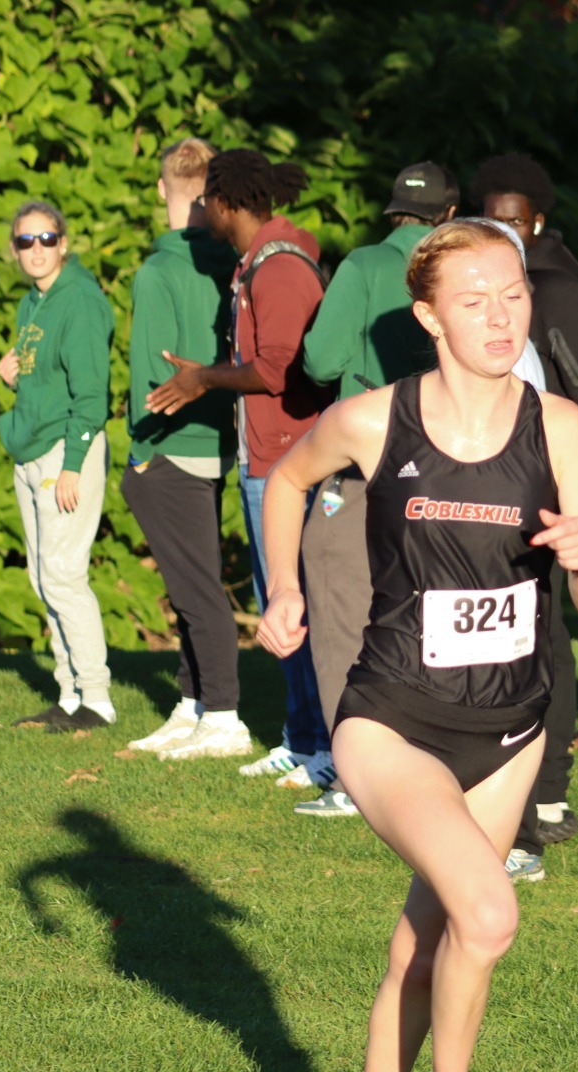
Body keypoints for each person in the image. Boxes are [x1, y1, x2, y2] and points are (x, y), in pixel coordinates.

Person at [253, 220, 578, 1072]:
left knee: (427, 943)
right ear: (428, 317)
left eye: (513, 295)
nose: (501, 317)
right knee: (488, 915)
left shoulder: (562, 429)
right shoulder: (375, 420)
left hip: (510, 727)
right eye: (474, 300)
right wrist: (283, 587)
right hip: (392, 719)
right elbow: (288, 478)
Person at [147, 150, 334, 783]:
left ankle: (325, 748)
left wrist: (203, 379)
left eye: (208, 200)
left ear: (226, 203)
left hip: (288, 460)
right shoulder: (257, 263)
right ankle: (301, 738)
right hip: (268, 456)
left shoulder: (277, 270)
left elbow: (277, 370)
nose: (202, 210)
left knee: (292, 604)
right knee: (275, 601)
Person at [469, 153, 578, 881]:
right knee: (532, 638)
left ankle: (541, 798)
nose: (507, 231)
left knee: (537, 643)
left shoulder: (555, 289)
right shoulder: (499, 283)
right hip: (509, 487)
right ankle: (535, 793)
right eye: (493, 219)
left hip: (551, 493)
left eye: (518, 221)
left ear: (539, 220)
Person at [291, 162, 461, 818]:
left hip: (365, 465)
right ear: (450, 215)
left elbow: (321, 361)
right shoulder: (462, 268)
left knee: (340, 607)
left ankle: (354, 777)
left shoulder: (363, 266)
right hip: (453, 463)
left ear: (394, 211)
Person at [119, 137, 255, 761]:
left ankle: (222, 714)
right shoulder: (234, 263)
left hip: (170, 444)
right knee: (191, 581)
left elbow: (152, 377)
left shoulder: (157, 271)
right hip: (220, 440)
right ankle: (192, 701)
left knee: (195, 589)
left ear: (162, 190)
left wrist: (139, 451)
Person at [0, 201, 117, 731]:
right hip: (31, 451)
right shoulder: (33, 303)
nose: (37, 249)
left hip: (66, 451)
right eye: (26, 241)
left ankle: (97, 699)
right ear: (15, 250)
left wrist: (73, 464)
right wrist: (13, 376)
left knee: (64, 575)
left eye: (46, 239)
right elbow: (47, 378)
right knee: (43, 577)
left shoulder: (81, 301)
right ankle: (69, 696)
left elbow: (91, 394)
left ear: (63, 244)